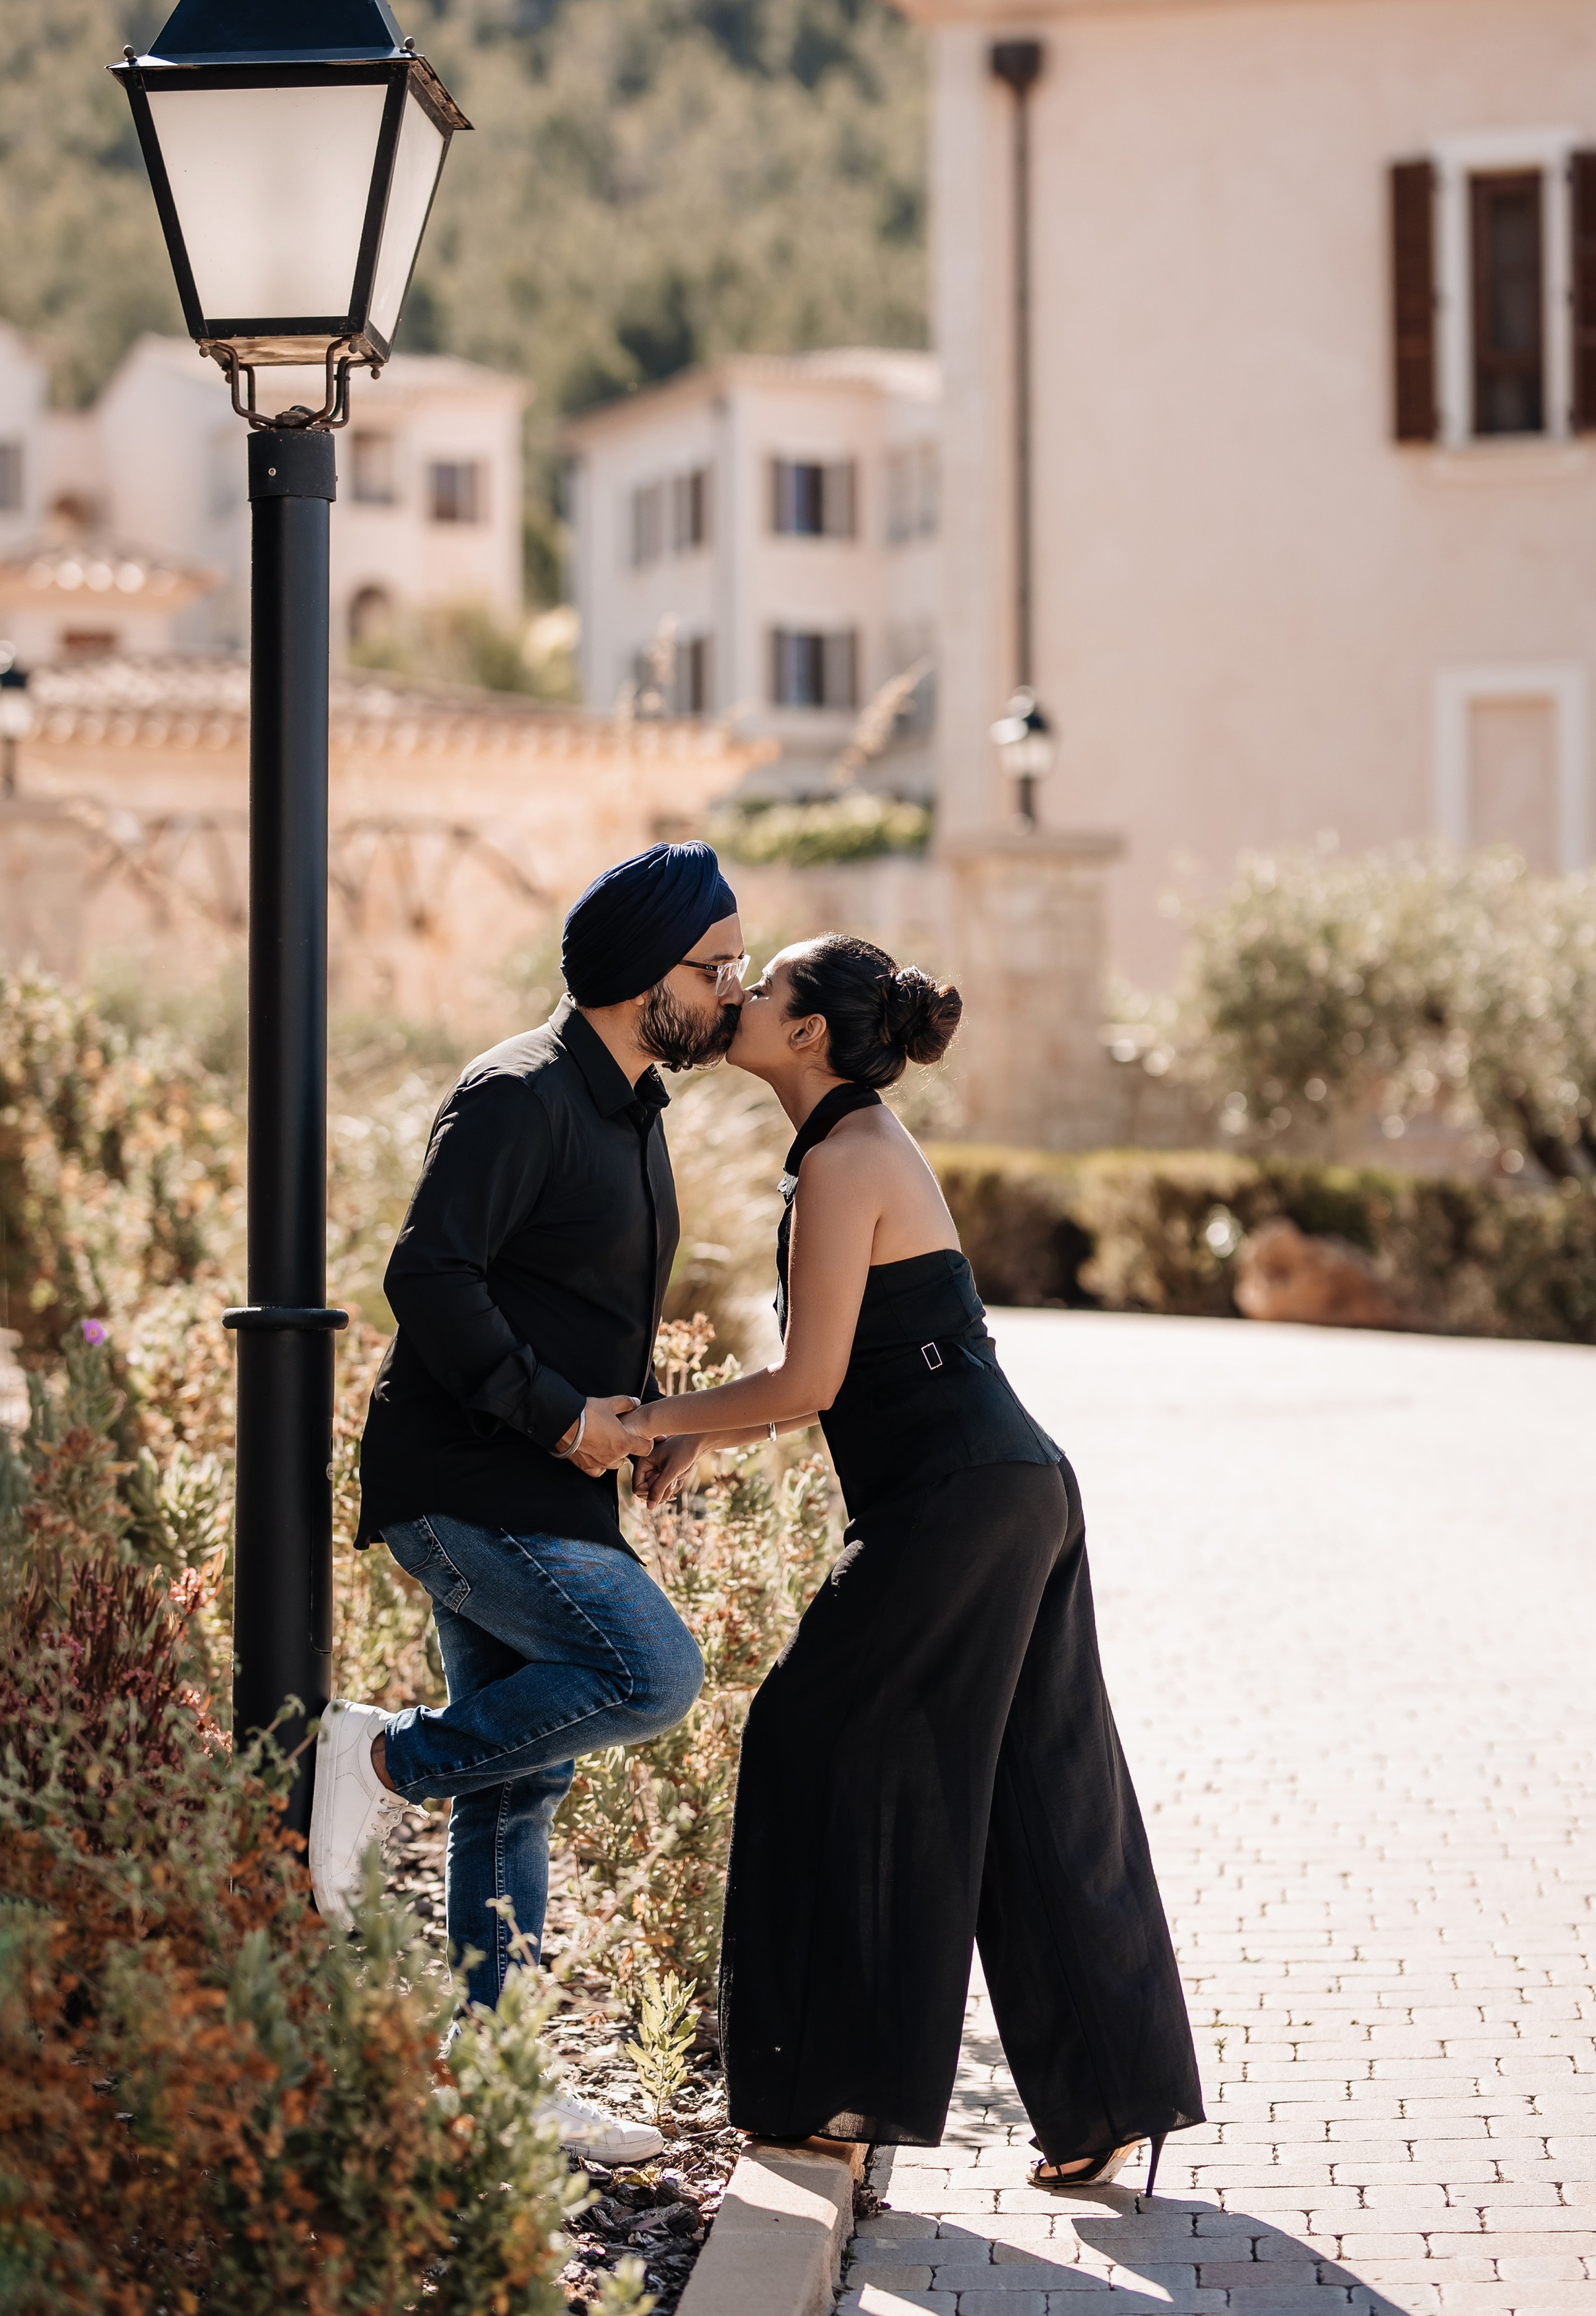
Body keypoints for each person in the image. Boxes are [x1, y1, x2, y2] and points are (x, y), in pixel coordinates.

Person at [626, 933, 1205, 2190]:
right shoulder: (858, 1145)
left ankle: (832, 2094)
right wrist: (701, 1443)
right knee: (1028, 1786)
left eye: (762, 986)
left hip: (956, 1502)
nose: (736, 996)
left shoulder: (844, 1159)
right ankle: (1109, 2097)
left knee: (806, 1731)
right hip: (1012, 1488)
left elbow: (813, 1378)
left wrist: (651, 1420)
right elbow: (842, 1375)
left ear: (809, 1033)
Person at [308, 840, 748, 2166]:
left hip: (543, 1488)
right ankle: (376, 1756)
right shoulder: (517, 1093)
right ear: (634, 974)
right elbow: (430, 1278)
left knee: (524, 1781)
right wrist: (561, 1414)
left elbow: (571, 1294)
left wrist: (647, 1423)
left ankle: (499, 2079)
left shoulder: (630, 1106)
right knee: (651, 1668)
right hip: (462, 1484)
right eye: (711, 968)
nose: (731, 993)